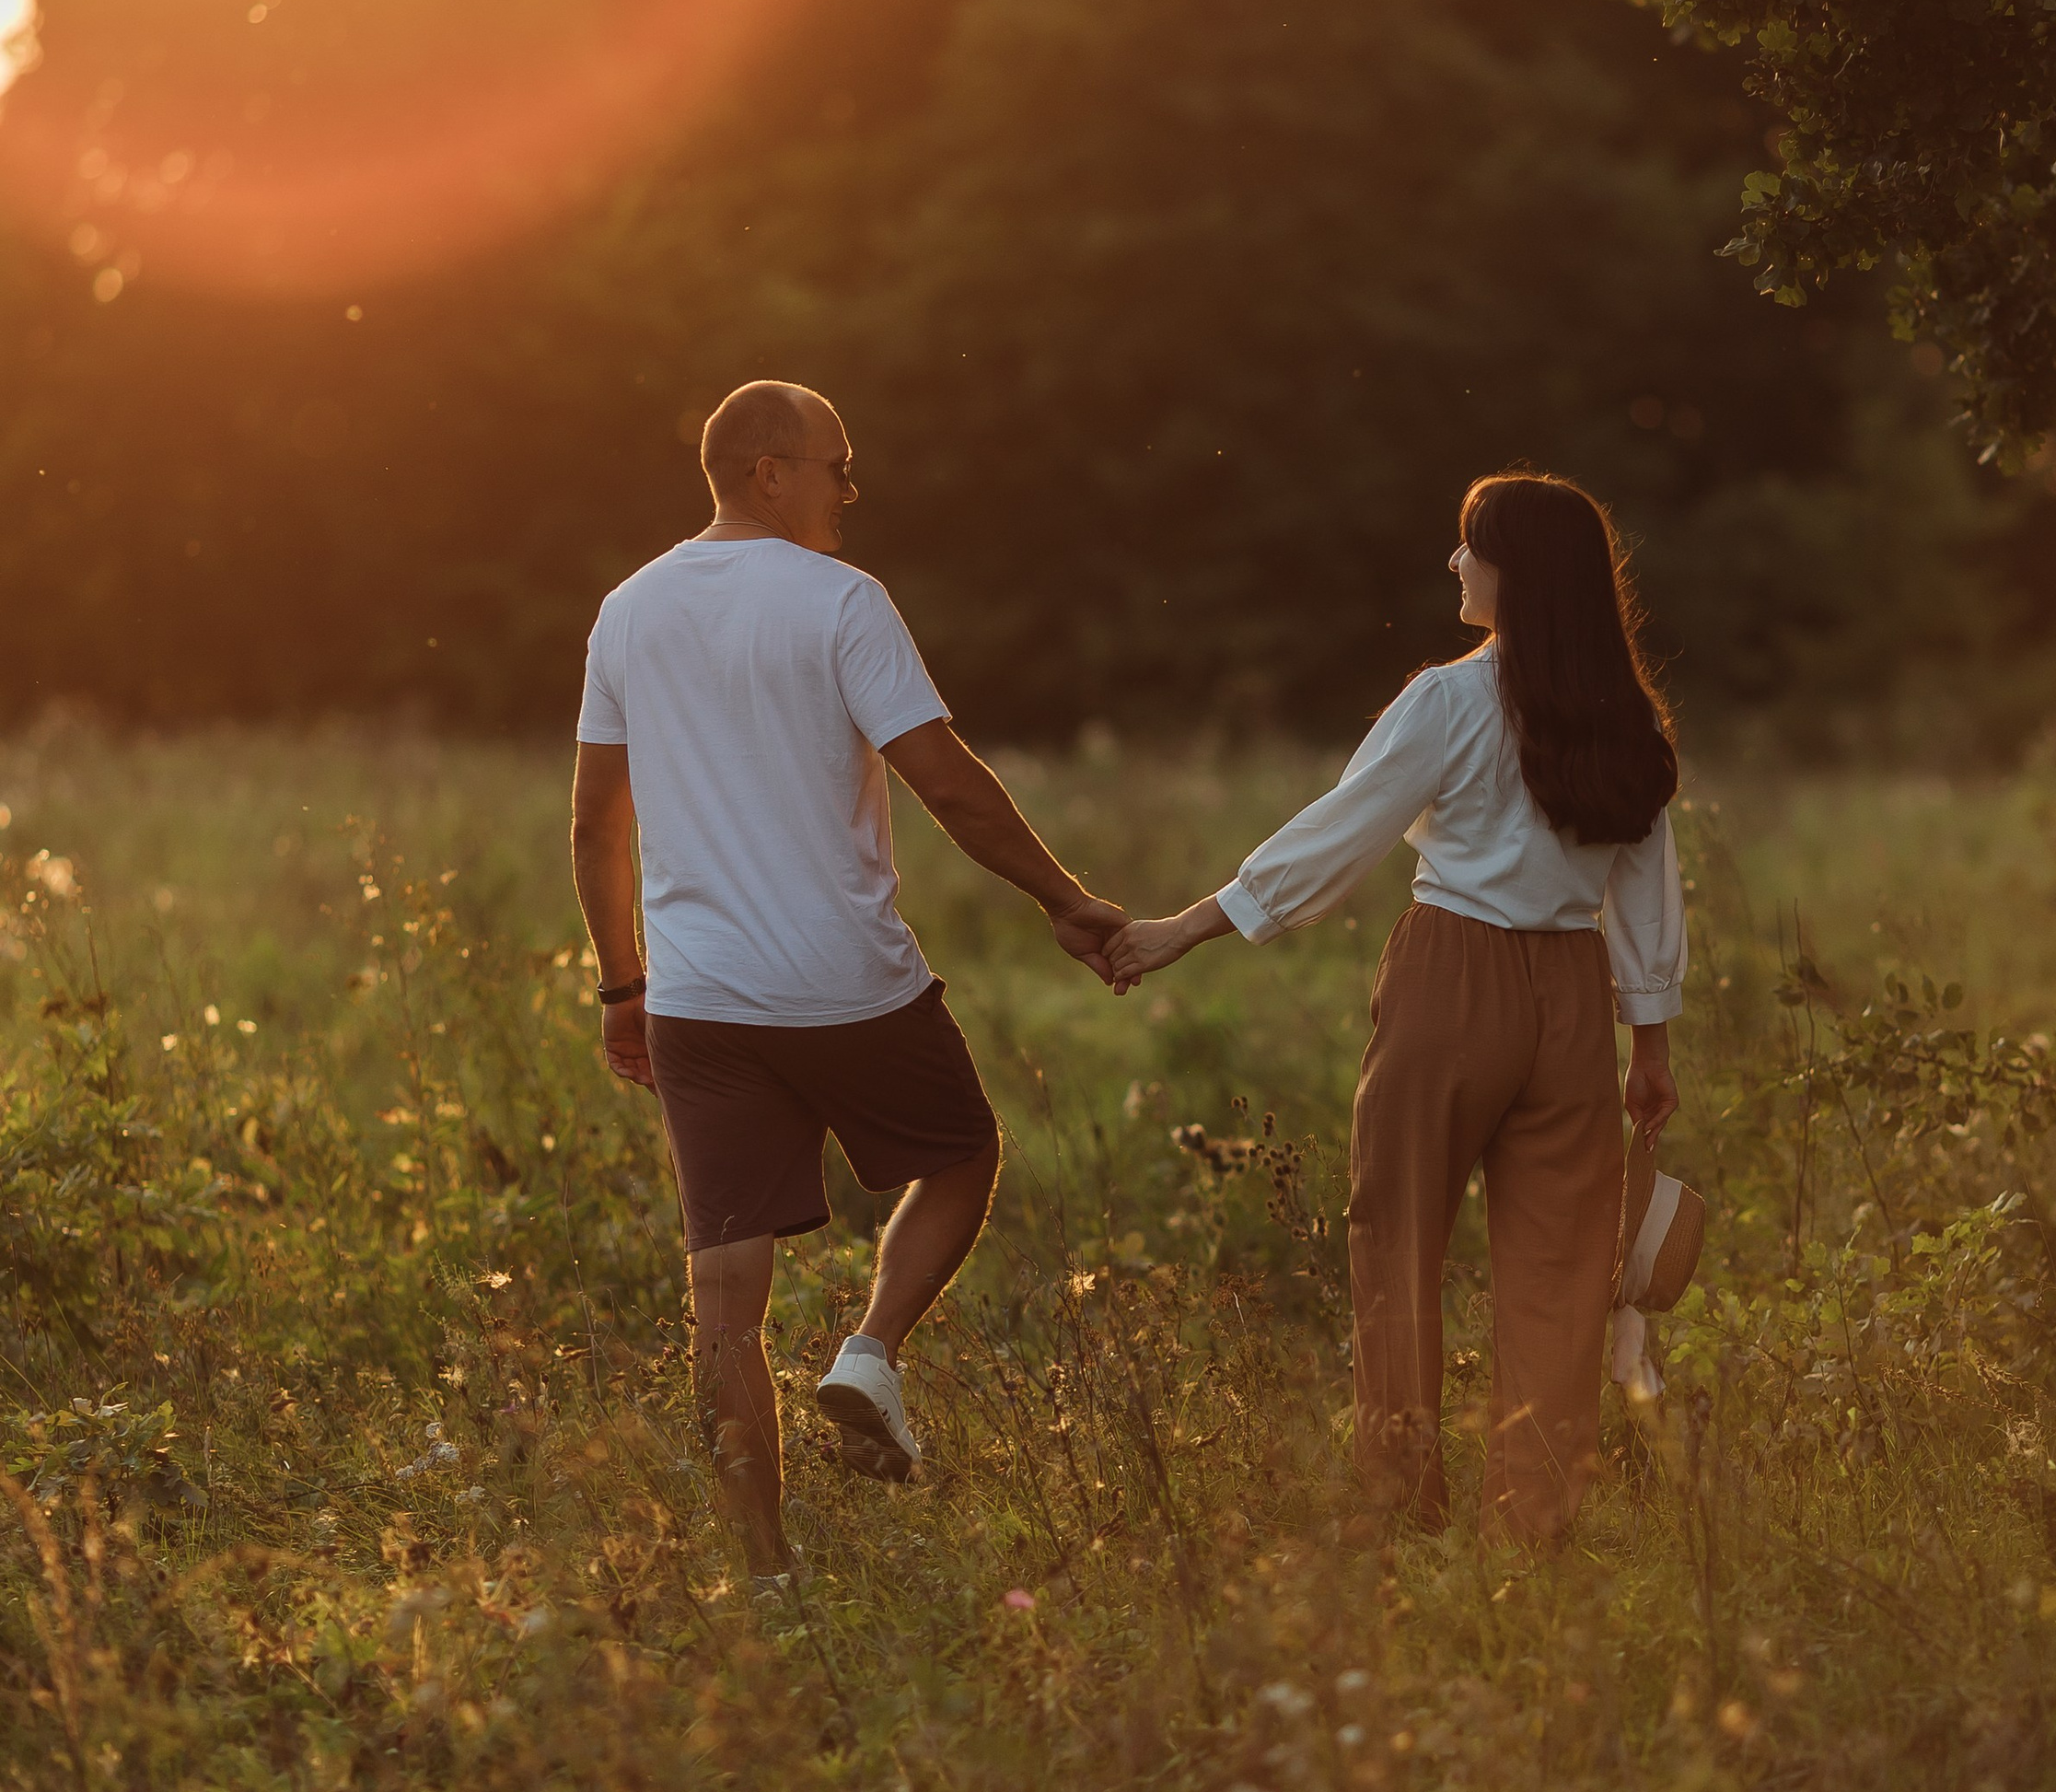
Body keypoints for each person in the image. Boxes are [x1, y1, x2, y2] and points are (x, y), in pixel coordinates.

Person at [571, 380, 1128, 1576]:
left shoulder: (628, 611)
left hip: (699, 1007)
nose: (845, 494)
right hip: (847, 985)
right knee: (964, 1155)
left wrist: (624, 990)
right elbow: (951, 783)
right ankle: (869, 1355)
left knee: (725, 1308)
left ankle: (769, 1577)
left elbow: (593, 825)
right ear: (769, 471)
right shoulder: (841, 604)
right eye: (836, 468)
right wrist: (1066, 901)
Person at [1110, 471, 1686, 1544]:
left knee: (1398, 1234)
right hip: (1573, 998)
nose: (1454, 564)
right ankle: (1535, 1525)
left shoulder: (1448, 698)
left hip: (1450, 980)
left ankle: (1401, 1498)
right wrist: (1647, 1041)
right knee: (1562, 1273)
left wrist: (1184, 927)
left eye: (1470, 548)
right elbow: (1647, 890)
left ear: (1513, 572)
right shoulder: (1626, 714)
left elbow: (1340, 831)